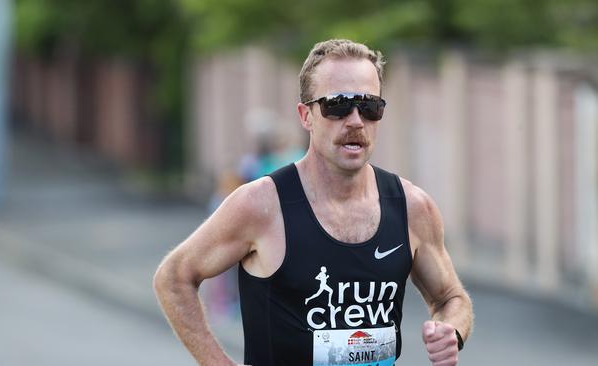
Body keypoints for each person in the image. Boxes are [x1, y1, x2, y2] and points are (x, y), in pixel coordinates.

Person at [153, 39, 474, 366]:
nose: (355, 121)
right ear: (306, 115)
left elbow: (452, 298)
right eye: (337, 105)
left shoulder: (411, 207)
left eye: (369, 106)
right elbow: (173, 277)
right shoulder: (262, 205)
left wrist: (451, 330)